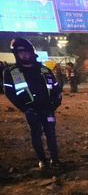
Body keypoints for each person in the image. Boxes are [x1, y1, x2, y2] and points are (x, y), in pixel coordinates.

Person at [2, 37, 62, 170]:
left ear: (32, 52)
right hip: (30, 109)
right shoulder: (10, 72)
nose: (23, 55)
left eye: (26, 52)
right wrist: (24, 108)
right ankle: (42, 160)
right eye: (20, 53)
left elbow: (56, 88)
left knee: (51, 133)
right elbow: (9, 93)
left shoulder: (44, 70)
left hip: (48, 108)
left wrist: (55, 104)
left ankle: (55, 159)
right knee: (36, 133)